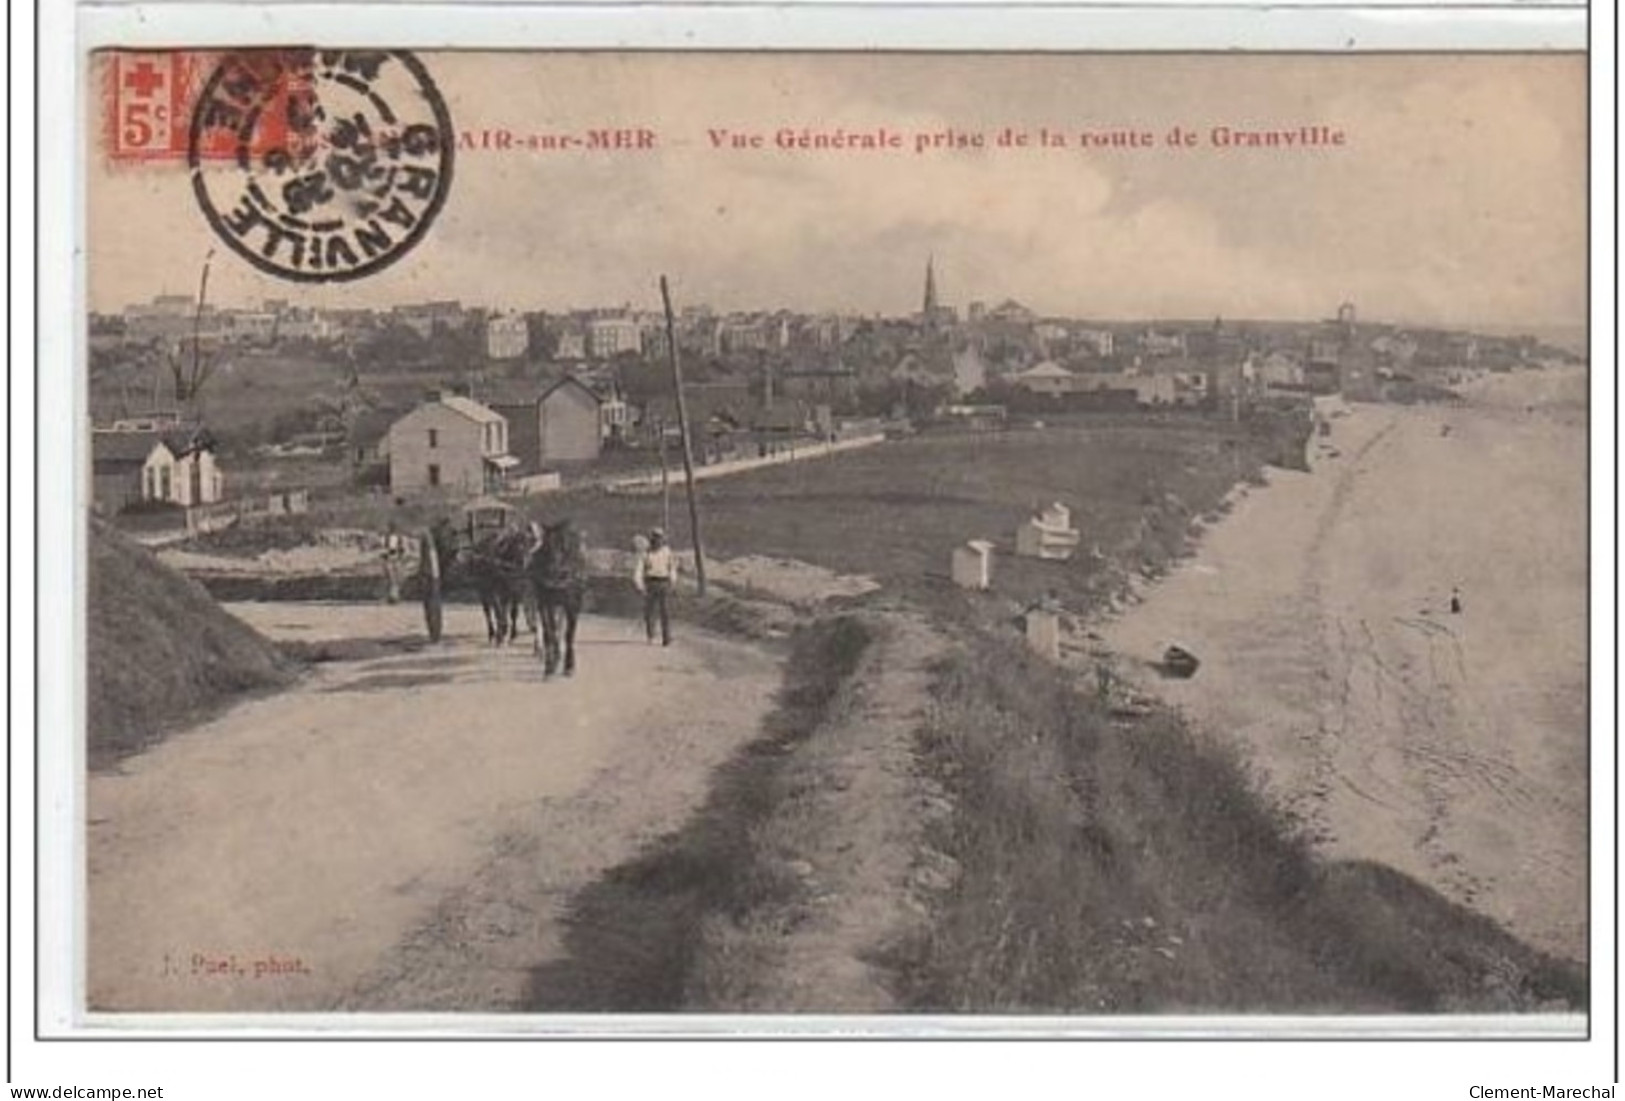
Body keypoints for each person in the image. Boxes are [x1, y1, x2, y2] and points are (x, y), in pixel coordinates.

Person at [633, 527, 677, 645]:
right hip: (651, 582)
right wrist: (639, 584)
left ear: (663, 539)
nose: (658, 540)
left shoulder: (667, 552)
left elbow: (672, 567)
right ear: (652, 539)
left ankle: (666, 637)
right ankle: (651, 634)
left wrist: (673, 581)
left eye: (660, 538)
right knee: (650, 610)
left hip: (664, 582)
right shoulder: (646, 553)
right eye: (655, 537)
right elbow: (639, 569)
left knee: (665, 611)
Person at [419, 517, 453, 643]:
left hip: (433, 575)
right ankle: (435, 634)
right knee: (432, 605)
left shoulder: (432, 540)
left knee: (432, 606)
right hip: (431, 575)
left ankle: (435, 633)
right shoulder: (429, 540)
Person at [381, 521, 406, 604]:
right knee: (390, 579)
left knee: (397, 579)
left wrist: (400, 554)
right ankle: (390, 597)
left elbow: (402, 549)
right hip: (389, 560)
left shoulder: (399, 538)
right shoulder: (385, 538)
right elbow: (383, 550)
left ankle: (395, 596)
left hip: (396, 559)